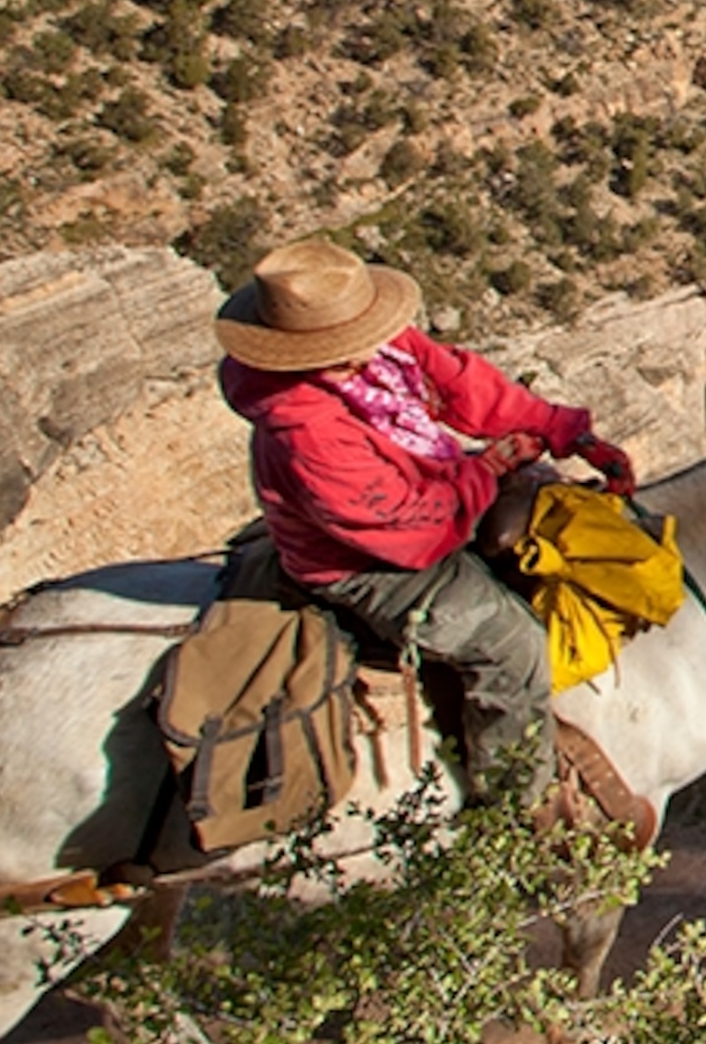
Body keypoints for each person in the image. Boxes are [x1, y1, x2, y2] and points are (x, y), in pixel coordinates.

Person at [214, 238, 635, 800]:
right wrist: (486, 471)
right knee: (508, 642)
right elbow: (410, 531)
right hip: (364, 558)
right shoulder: (306, 433)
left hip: (434, 485)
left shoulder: (370, 347)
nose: (372, 343)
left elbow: (459, 383)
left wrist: (563, 429)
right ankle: (516, 808)